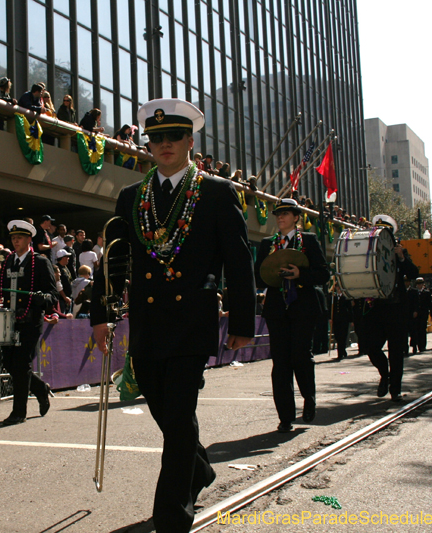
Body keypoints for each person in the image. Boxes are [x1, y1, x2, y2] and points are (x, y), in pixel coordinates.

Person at [91, 98, 255, 532]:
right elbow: (113, 260)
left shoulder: (217, 192)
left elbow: (238, 262)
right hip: (147, 323)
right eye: (156, 137)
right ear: (148, 143)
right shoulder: (131, 197)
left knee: (180, 415)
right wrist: (100, 314)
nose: (164, 144)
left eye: (174, 136)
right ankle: (198, 469)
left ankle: (172, 516)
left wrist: (241, 323)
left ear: (189, 140)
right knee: (166, 412)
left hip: (191, 322)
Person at [254, 198, 329, 432]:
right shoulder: (268, 244)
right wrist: (272, 275)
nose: (280, 217)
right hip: (277, 308)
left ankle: (309, 399)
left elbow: (324, 274)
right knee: (280, 362)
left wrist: (300, 274)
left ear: (296, 217)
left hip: (303, 307)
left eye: (285, 213)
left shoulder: (308, 240)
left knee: (301, 356)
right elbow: (258, 276)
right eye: (278, 214)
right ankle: (285, 416)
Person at [0, 220, 58, 426]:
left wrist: (41, 298)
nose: (15, 241)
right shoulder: (9, 261)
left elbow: (52, 294)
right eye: (13, 238)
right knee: (9, 364)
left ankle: (18, 412)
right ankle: (40, 388)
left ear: (29, 239)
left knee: (21, 364)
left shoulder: (40, 261)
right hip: (10, 320)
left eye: (19, 237)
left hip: (29, 320)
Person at [361, 215, 418, 402]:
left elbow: (414, 273)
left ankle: (395, 389)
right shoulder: (368, 250)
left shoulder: (400, 251)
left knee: (396, 352)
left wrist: (401, 257)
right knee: (371, 347)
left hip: (395, 309)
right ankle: (385, 375)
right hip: (376, 307)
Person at [330, 281, 352, 361]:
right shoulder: (333, 297)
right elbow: (331, 309)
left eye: (339, 287)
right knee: (337, 336)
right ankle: (342, 351)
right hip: (336, 319)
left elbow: (349, 309)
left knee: (343, 336)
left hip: (344, 319)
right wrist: (330, 318)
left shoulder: (345, 297)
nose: (338, 289)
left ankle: (341, 353)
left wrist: (351, 320)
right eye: (336, 287)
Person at [409, 277, 430, 354]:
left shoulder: (426, 293)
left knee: (422, 330)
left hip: (423, 314)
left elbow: (429, 304)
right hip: (415, 314)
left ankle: (422, 346)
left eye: (421, 284)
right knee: (414, 330)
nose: (419, 285)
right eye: (418, 284)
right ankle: (414, 345)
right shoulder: (413, 292)